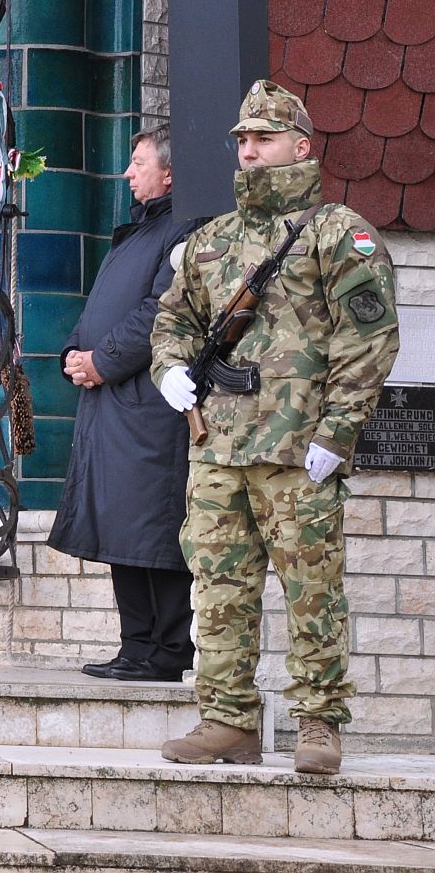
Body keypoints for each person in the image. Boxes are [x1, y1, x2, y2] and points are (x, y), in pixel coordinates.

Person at [152, 81, 398, 775]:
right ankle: (227, 719)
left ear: (300, 145)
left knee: (312, 589)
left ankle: (319, 724)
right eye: (242, 140)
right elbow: (173, 319)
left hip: (297, 448)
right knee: (219, 589)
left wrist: (337, 433)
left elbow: (369, 341)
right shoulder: (213, 240)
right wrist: (168, 368)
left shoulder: (335, 234)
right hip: (218, 447)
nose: (250, 150)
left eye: (263, 138)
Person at [49, 126, 202, 681]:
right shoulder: (137, 231)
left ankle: (166, 651)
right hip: (114, 404)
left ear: (169, 173)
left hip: (149, 409)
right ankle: (135, 645)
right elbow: (103, 308)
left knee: (153, 532)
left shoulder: (185, 228)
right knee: (120, 529)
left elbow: (160, 313)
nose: (127, 173)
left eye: (138, 163)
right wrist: (74, 350)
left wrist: (102, 361)